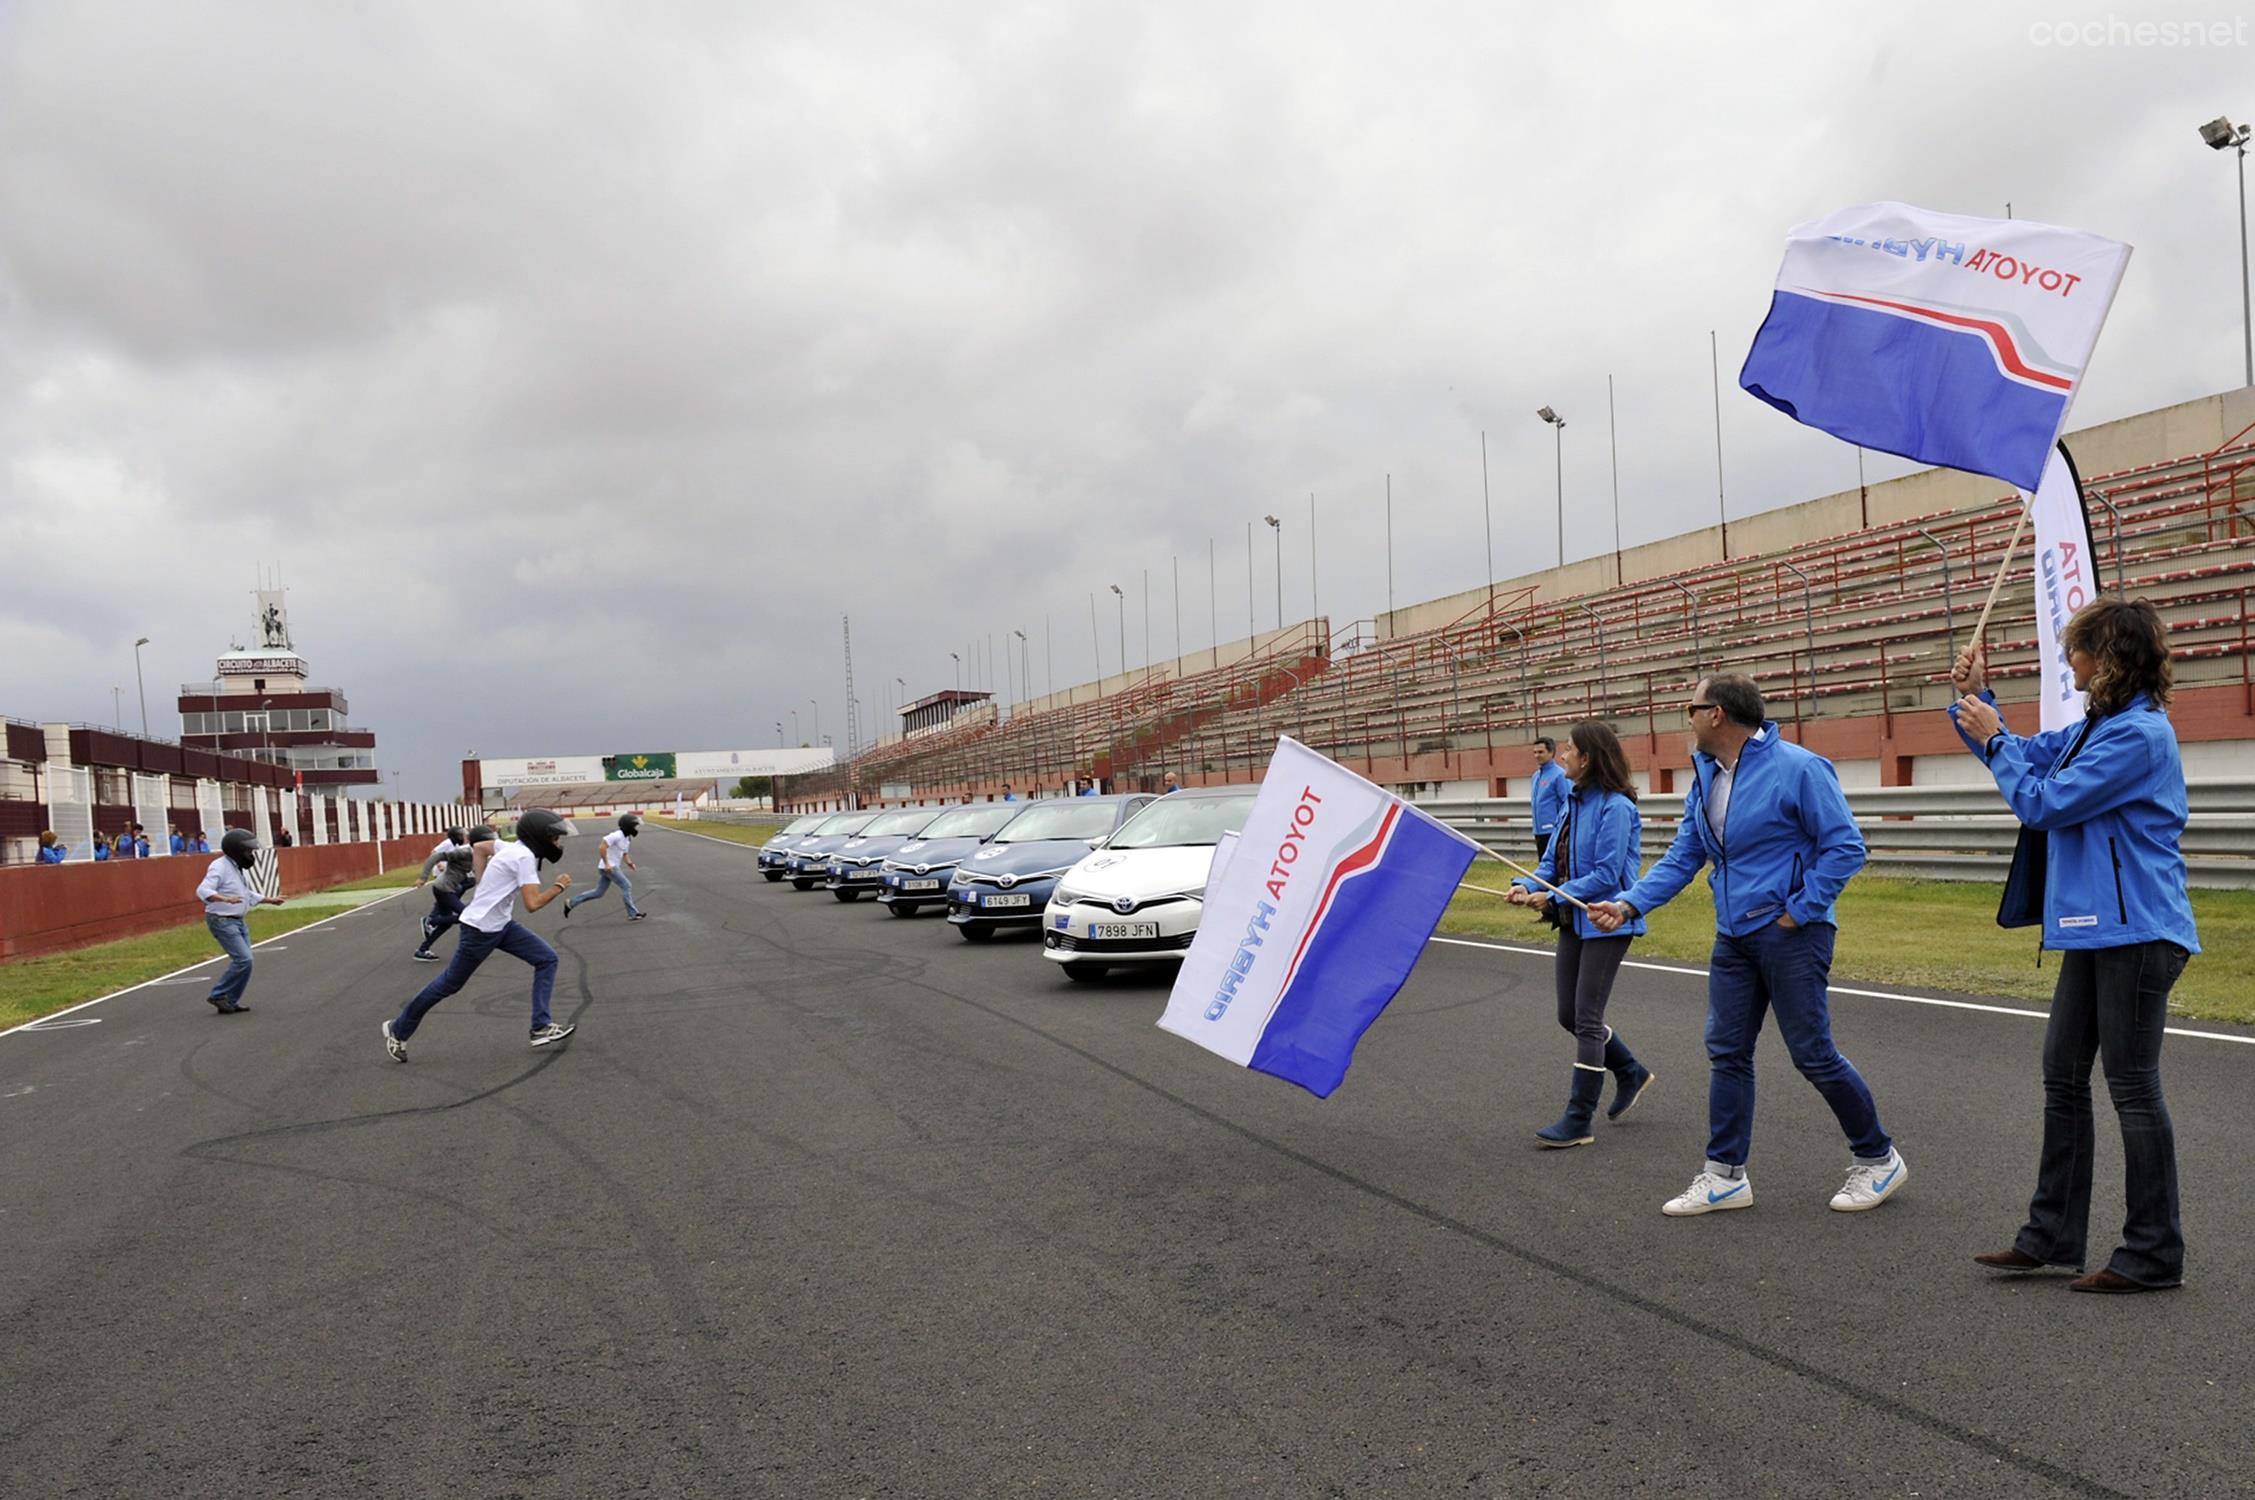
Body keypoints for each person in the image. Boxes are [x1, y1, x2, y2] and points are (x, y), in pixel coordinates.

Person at [1949, 599, 2199, 1293]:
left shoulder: (2138, 736)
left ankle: (2151, 1254)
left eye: (2076, 650)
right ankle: (2051, 1236)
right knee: (2062, 1074)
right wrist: (1975, 704)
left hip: (2139, 932)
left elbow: (2043, 802)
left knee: (2131, 1086)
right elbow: (2026, 755)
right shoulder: (2099, 728)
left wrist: (1995, 739)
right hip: (2096, 930)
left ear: (2108, 656)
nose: (2068, 662)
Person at [1590, 672, 1904, 1218]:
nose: (1684, 718)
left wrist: (1799, 911)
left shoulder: (1800, 769)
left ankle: (1878, 1158)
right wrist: (1630, 903)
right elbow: (1686, 855)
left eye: (1690, 707)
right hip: (1733, 935)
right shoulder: (1707, 776)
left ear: (1717, 714)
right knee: (1727, 1051)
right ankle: (1725, 1175)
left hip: (1792, 934)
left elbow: (1846, 847)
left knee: (1812, 1054)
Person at [1506, 721, 1656, 1146]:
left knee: (1587, 1020)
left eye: (1569, 749)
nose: (1563, 756)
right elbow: (1551, 863)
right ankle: (1630, 1071)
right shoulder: (1572, 803)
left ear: (1588, 758)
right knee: (1567, 1016)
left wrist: (1554, 899)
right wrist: (1528, 887)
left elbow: (1607, 874)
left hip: (1609, 920)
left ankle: (1578, 1120)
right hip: (1575, 919)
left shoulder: (1617, 807)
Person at [383, 807, 577, 1060]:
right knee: (449, 984)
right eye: (554, 837)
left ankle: (540, 1027)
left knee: (546, 958)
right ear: (539, 837)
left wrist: (481, 878)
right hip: (480, 930)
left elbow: (481, 847)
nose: (557, 843)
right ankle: (398, 1028)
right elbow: (533, 904)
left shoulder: (510, 847)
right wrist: (559, 887)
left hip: (500, 925)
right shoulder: (524, 858)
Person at [197, 828, 285, 1014]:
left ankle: (230, 1000)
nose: (250, 854)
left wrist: (270, 900)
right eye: (248, 851)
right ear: (236, 850)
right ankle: (219, 994)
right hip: (222, 920)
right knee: (243, 959)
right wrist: (224, 899)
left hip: (237, 920)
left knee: (247, 961)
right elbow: (203, 890)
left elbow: (244, 893)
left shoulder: (235, 867)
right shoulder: (219, 866)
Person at [411, 824, 486, 962]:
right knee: (467, 916)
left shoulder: (474, 851)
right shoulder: (464, 851)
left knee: (446, 923)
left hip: (449, 888)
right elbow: (435, 857)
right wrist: (423, 878)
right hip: (443, 889)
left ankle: (422, 950)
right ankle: (431, 921)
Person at [564, 813, 646, 921]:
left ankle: (571, 903)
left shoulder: (627, 839)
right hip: (609, 867)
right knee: (627, 886)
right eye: (634, 826)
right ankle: (633, 914)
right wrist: (607, 863)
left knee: (598, 892)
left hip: (610, 867)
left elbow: (624, 853)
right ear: (628, 826)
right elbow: (602, 846)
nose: (636, 828)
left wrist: (630, 863)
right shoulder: (616, 835)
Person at [1529, 738, 1569, 860]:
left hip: (1553, 832)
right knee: (1543, 865)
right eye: (1535, 752)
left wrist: (1560, 827)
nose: (1537, 755)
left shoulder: (1560, 775)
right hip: (1539, 831)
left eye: (1541, 752)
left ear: (1551, 753)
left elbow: (1567, 803)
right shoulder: (1536, 776)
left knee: (1556, 867)